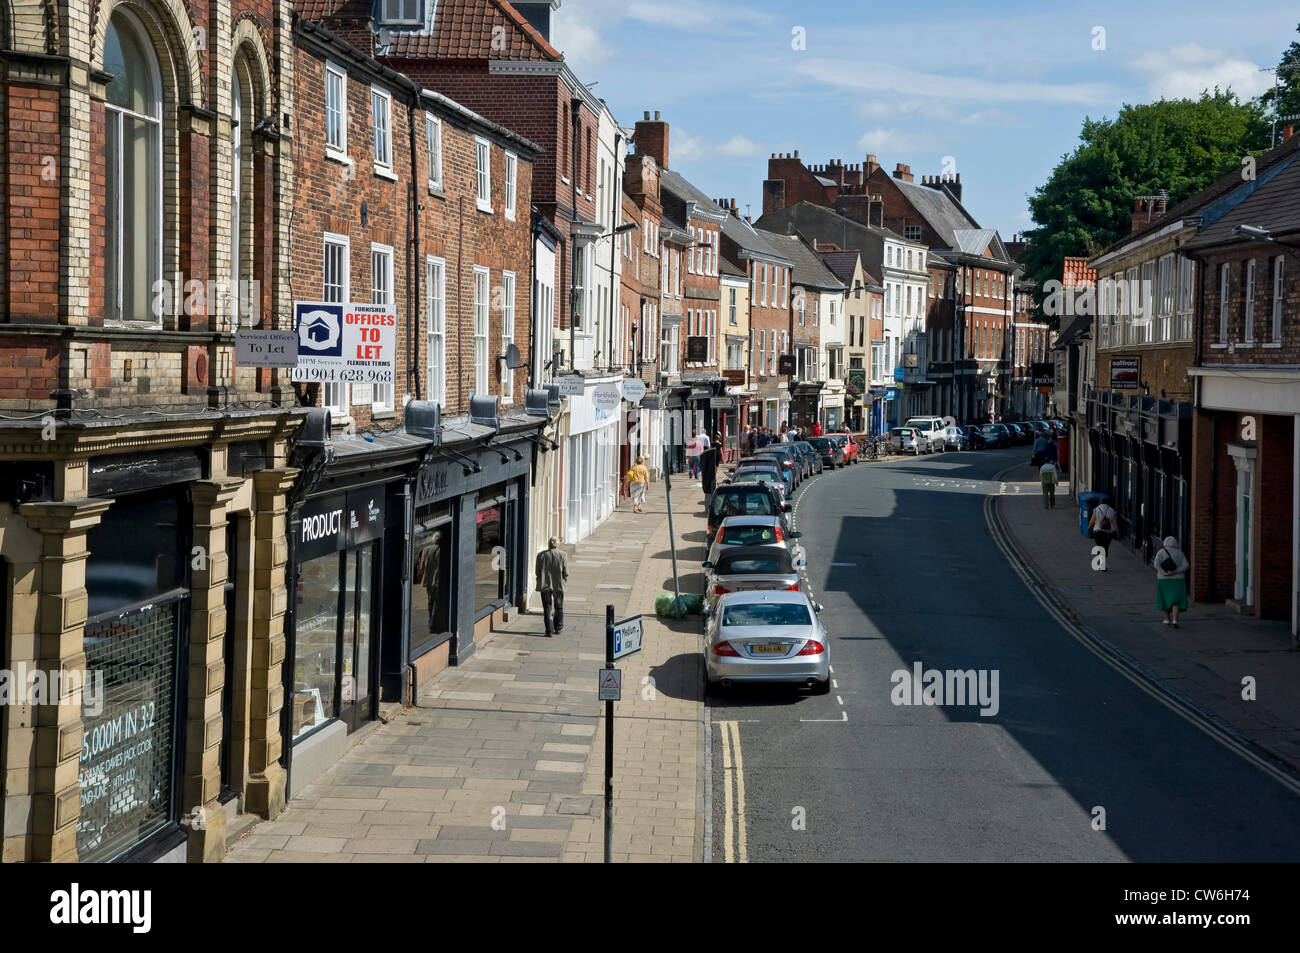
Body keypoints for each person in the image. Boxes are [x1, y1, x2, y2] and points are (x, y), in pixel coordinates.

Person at [1154, 535, 1190, 627]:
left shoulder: (1161, 552)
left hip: (1163, 580)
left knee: (1165, 599)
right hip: (1178, 580)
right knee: (1176, 600)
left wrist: (1164, 573)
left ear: (1165, 543)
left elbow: (1156, 564)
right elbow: (1186, 565)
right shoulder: (1180, 553)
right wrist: (1176, 572)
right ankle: (1175, 620)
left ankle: (1166, 619)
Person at [535, 537, 568, 637]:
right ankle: (558, 627)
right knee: (559, 607)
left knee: (547, 607)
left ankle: (549, 630)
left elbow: (537, 571)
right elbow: (565, 572)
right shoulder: (563, 555)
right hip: (558, 585)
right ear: (558, 544)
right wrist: (564, 579)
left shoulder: (541, 555)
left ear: (548, 543)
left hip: (545, 584)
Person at [1088, 495, 1119, 568]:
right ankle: (1103, 562)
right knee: (1105, 547)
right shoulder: (1111, 510)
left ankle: (1102, 562)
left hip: (1098, 532)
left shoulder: (1097, 509)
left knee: (1100, 547)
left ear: (1100, 502)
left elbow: (1092, 521)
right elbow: (1115, 523)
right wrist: (1117, 532)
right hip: (1108, 533)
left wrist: (1088, 527)